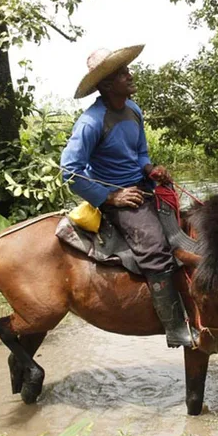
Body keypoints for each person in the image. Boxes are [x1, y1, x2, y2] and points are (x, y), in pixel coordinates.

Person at [60, 44, 195, 348]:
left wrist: (150, 168)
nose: (130, 75)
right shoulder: (91, 122)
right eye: (122, 73)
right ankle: (175, 328)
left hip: (142, 185)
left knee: (185, 231)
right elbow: (70, 170)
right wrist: (110, 197)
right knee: (155, 250)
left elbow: (139, 152)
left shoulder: (134, 110)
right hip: (120, 198)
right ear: (106, 84)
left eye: (126, 69)